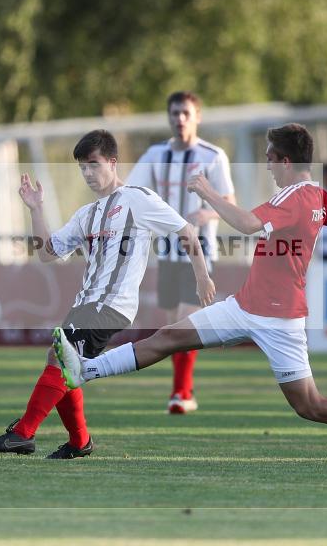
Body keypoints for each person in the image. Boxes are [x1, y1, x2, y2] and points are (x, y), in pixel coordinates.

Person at [54, 124, 327, 467]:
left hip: (280, 321)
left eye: (269, 158)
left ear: (285, 161)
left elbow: (248, 224)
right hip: (244, 307)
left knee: (310, 405)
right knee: (168, 337)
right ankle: (85, 370)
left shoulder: (295, 196)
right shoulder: (318, 196)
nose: (267, 165)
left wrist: (207, 192)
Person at [0, 130, 215, 459]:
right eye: (82, 167)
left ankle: (23, 434)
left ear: (112, 162)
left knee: (62, 361)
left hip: (112, 304)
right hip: (86, 303)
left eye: (93, 164)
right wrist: (35, 209)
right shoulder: (86, 214)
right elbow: (47, 253)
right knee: (61, 362)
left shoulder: (137, 198)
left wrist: (202, 277)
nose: (87, 173)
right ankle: (79, 442)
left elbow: (186, 230)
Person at [125, 91, 235, 414]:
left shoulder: (213, 155)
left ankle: (180, 393)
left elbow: (230, 203)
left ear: (197, 116)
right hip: (166, 253)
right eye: (175, 113)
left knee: (186, 322)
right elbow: (131, 192)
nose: (180, 119)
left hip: (199, 253)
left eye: (186, 113)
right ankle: (184, 390)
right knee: (173, 324)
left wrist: (208, 212)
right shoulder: (155, 154)